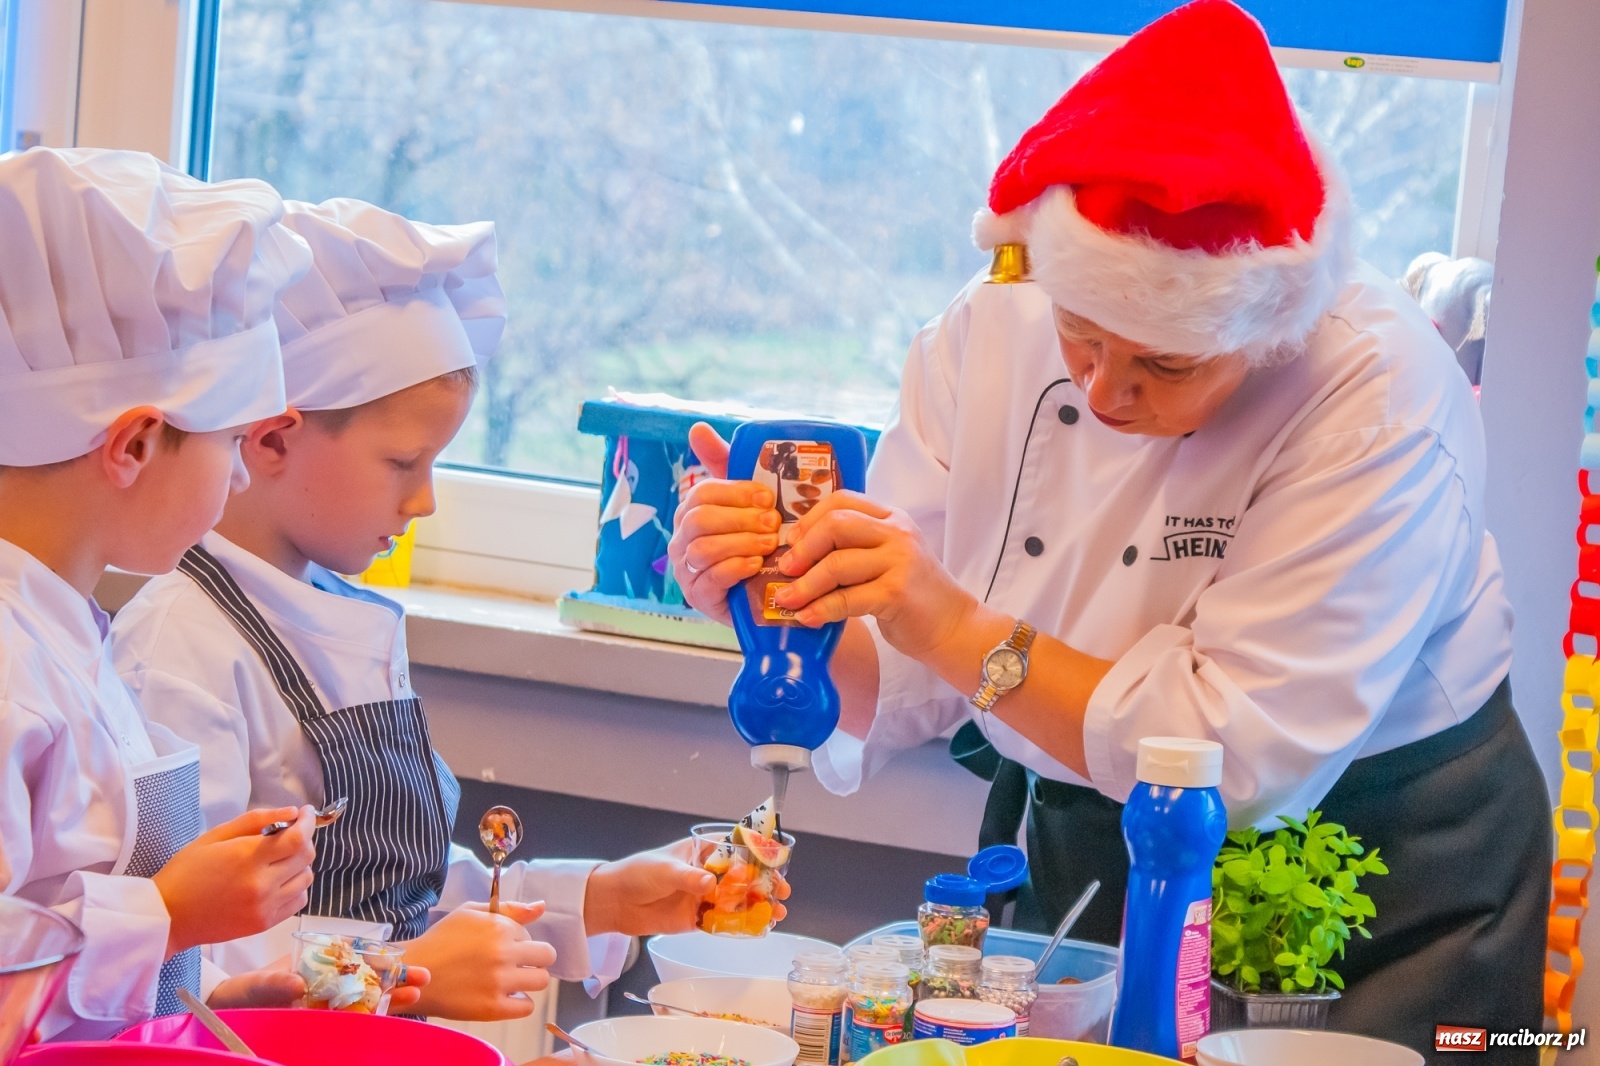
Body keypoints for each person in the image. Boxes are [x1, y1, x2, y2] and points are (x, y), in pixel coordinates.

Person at [668, 0, 1548, 1056]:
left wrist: (940, 614)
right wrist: (775, 603)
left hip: (1382, 873)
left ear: (1266, 324)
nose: (1106, 392)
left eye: (1164, 364)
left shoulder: (1371, 388)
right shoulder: (983, 334)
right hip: (1080, 843)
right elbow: (904, 676)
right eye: (1079, 339)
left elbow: (1228, 754)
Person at [112, 198, 767, 1020]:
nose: (422, 501)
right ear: (273, 439)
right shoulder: (180, 648)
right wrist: (402, 976)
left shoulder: (340, 614)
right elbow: (189, 975)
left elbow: (399, 889)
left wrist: (601, 898)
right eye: (403, 463)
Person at [0, 147, 362, 1039]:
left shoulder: (62, 629)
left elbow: (56, 924)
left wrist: (190, 994)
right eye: (234, 443)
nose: (241, 479)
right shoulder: (11, 674)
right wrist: (165, 917)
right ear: (133, 445)